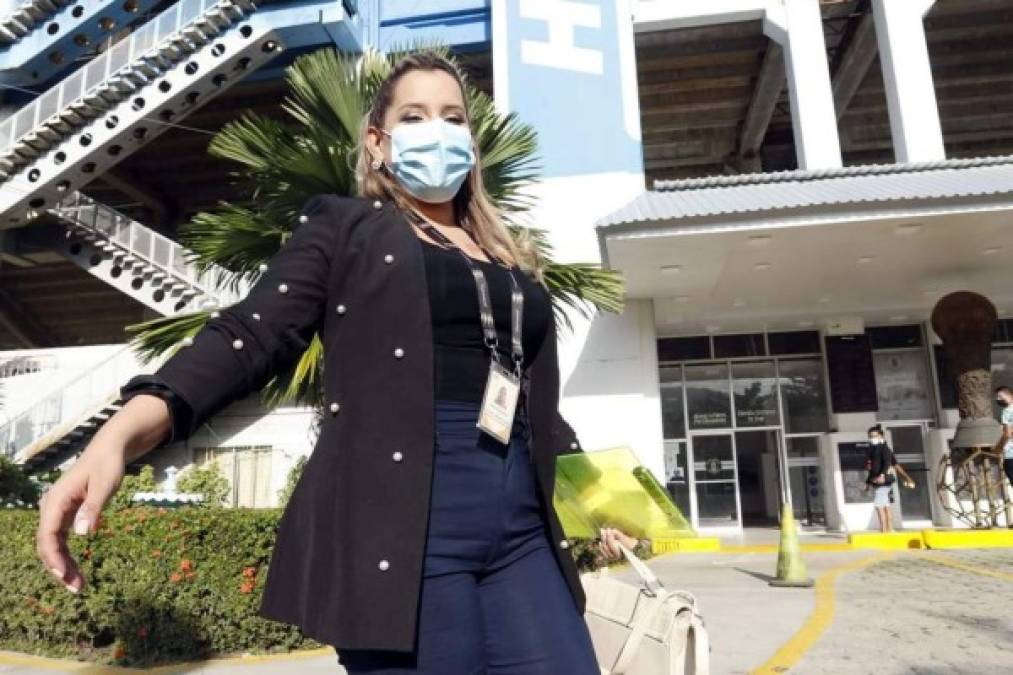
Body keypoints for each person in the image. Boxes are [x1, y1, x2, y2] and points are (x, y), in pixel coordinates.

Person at [34, 52, 638, 674]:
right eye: (416, 115)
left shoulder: (508, 258)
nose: (439, 130)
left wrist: (598, 499)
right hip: (407, 527)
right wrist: (117, 436)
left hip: (522, 531)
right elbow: (251, 334)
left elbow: (535, 400)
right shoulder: (349, 229)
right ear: (378, 141)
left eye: (454, 117)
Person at [864, 424, 915, 533]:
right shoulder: (872, 450)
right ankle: (890, 529)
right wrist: (868, 482)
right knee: (885, 505)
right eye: (870, 436)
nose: (872, 439)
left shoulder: (885, 449)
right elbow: (872, 468)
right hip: (877, 481)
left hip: (883, 481)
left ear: (881, 436)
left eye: (875, 436)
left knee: (879, 505)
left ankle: (884, 531)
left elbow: (888, 463)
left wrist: (882, 475)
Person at [995, 385, 1013, 494]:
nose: (998, 399)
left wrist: (998, 449)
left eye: (1000, 396)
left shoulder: (1006, 412)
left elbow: (1007, 435)